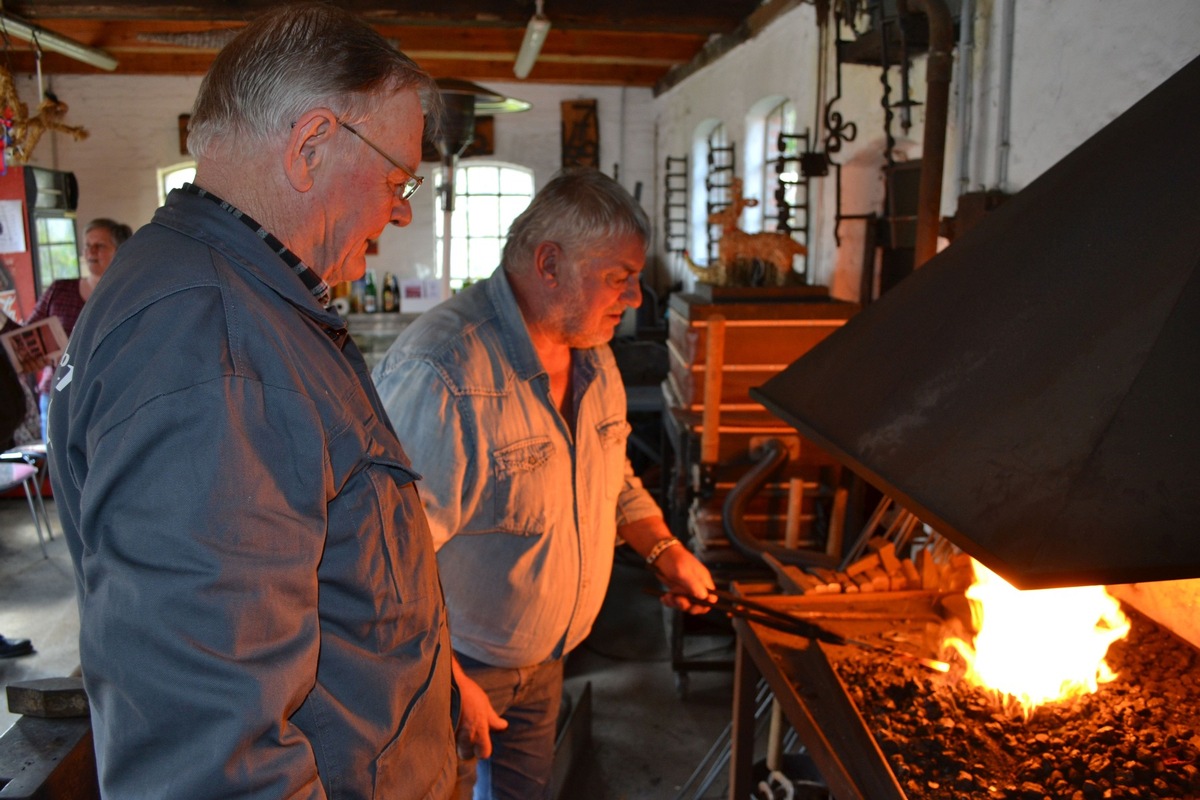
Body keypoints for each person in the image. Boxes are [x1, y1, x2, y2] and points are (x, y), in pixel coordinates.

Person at [47, 5, 457, 798]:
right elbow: (208, 757)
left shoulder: (229, 296)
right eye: (398, 177)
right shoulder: (212, 343)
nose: (401, 208)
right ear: (311, 146)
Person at [372, 168, 716, 800]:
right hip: (452, 667)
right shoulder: (444, 371)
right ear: (550, 263)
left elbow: (612, 475)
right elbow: (383, 562)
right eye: (619, 278)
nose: (636, 298)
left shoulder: (592, 351)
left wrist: (664, 550)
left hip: (548, 657)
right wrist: (444, 678)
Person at [21, 218, 132, 439]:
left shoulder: (128, 296)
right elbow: (25, 334)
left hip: (107, 398)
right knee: (58, 468)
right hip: (57, 396)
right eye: (87, 246)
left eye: (99, 246)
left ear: (119, 250)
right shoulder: (59, 290)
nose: (91, 252)